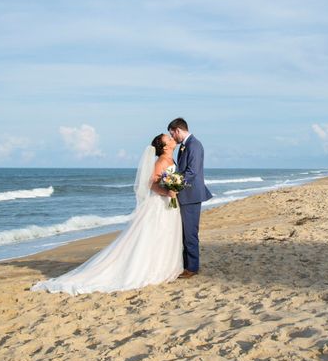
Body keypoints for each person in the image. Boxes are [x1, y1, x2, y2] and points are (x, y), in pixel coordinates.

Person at [31, 134, 183, 295]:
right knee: (155, 234)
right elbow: (150, 183)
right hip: (159, 203)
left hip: (168, 203)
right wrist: (168, 192)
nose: (173, 140)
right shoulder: (160, 162)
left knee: (165, 234)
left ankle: (164, 266)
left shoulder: (171, 160)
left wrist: (173, 190)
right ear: (165, 147)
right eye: (169, 139)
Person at [167, 118, 213, 278]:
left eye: (172, 134)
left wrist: (173, 183)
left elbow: (192, 172)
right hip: (186, 194)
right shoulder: (186, 145)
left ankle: (192, 268)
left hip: (191, 195)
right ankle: (187, 265)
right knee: (185, 232)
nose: (173, 138)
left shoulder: (194, 145)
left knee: (190, 232)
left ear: (178, 130)